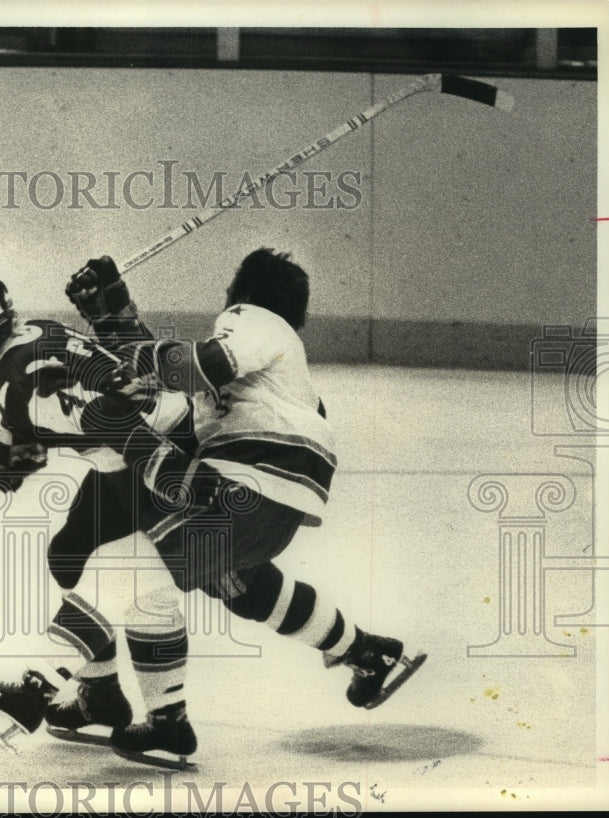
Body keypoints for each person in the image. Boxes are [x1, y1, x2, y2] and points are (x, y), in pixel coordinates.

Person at [82, 247, 427, 755]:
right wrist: (114, 315)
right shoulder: (275, 373)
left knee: (128, 571)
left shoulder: (254, 319)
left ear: (240, 294)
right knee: (242, 587)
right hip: (271, 503)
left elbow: (202, 363)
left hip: (250, 483)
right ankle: (368, 652)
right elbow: (170, 381)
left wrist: (117, 330)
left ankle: (151, 714)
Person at [0, 261, 199, 768]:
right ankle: (105, 699)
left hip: (156, 456)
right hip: (147, 443)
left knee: (121, 577)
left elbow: (70, 417)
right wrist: (10, 444)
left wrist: (13, 459)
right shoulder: (37, 332)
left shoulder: (15, 381)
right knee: (71, 555)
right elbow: (44, 402)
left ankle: (62, 694)